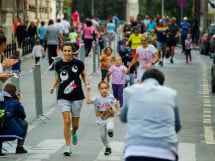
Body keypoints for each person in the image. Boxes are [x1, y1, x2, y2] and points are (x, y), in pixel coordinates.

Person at [120, 68, 182, 161]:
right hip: (165, 152)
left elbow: (123, 118)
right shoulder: (171, 94)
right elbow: (177, 126)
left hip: (135, 151)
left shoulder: (131, 91)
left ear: (141, 81)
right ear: (162, 84)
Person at [49, 42, 91, 156]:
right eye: (65, 51)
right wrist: (53, 87)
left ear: (73, 51)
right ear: (62, 51)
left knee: (75, 124)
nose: (67, 53)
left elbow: (83, 74)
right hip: (63, 95)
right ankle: (68, 147)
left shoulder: (78, 63)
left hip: (77, 96)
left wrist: (86, 83)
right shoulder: (58, 64)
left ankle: (74, 133)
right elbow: (58, 77)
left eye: (69, 51)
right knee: (67, 121)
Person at [86, 81, 120, 156]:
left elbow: (116, 103)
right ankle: (108, 148)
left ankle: (110, 131)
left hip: (109, 117)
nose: (104, 90)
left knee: (110, 128)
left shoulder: (111, 97)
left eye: (105, 88)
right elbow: (88, 102)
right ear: (99, 89)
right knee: (102, 136)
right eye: (102, 88)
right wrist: (88, 92)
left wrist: (118, 111)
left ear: (108, 89)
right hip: (100, 119)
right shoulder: (96, 97)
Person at [0, 82, 28, 156]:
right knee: (24, 123)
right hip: (13, 133)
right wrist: (19, 102)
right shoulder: (14, 102)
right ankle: (20, 147)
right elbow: (23, 116)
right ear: (14, 93)